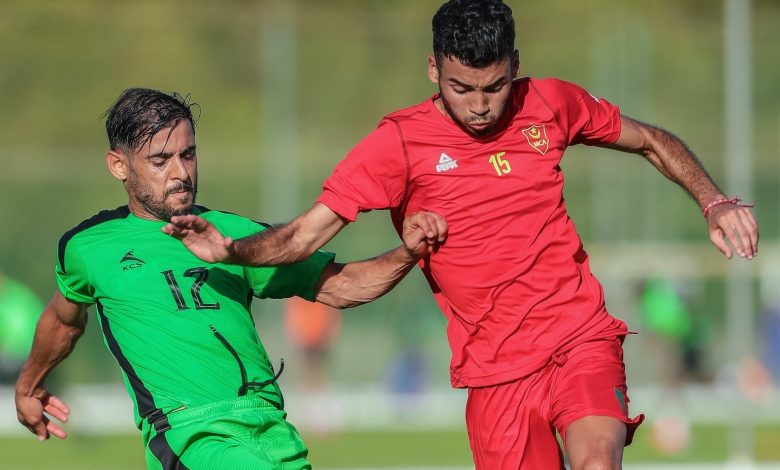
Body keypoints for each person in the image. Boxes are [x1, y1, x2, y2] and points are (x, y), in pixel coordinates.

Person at [163, 1, 760, 468]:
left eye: (494, 87)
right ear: (434, 71)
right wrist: (232, 250)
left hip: (578, 336)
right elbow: (304, 235)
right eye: (461, 88)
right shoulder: (398, 144)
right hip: (494, 372)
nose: (479, 105)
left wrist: (713, 201)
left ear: (515, 66)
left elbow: (651, 139)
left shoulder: (551, 103)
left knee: (597, 461)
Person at [14, 88, 447, 470]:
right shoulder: (89, 246)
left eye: (188, 154)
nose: (181, 173)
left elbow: (344, 286)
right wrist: (30, 385)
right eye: (160, 160)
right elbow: (64, 320)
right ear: (118, 165)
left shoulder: (234, 236)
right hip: (191, 436)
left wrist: (408, 252)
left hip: (272, 431)